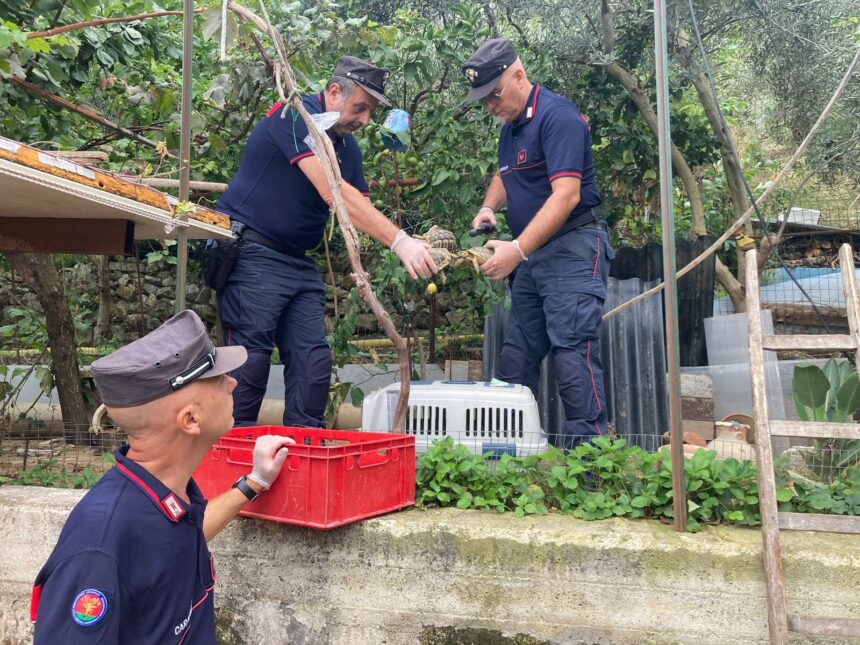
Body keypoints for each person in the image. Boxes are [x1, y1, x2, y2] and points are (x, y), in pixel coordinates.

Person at [30, 310, 293, 643]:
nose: (233, 382)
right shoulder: (99, 547)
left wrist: (254, 482)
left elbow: (176, 538)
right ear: (190, 420)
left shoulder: (160, 492)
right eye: (217, 379)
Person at [216, 55, 436, 428]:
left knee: (313, 360)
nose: (365, 120)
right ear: (334, 92)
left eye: (370, 111)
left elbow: (359, 206)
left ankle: (303, 456)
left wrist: (414, 238)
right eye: (360, 107)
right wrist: (400, 243)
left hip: (297, 261)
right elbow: (335, 193)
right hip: (253, 252)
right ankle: (230, 463)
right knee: (249, 362)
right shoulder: (294, 116)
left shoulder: (347, 147)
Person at [463, 38, 614, 449]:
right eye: (484, 101)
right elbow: (504, 174)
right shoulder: (511, 128)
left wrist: (517, 250)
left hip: (573, 246)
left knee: (571, 353)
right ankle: (506, 454)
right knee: (516, 355)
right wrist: (488, 208)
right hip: (533, 254)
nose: (491, 106)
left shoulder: (558, 116)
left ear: (518, 75)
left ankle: (590, 467)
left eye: (494, 95)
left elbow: (566, 195)